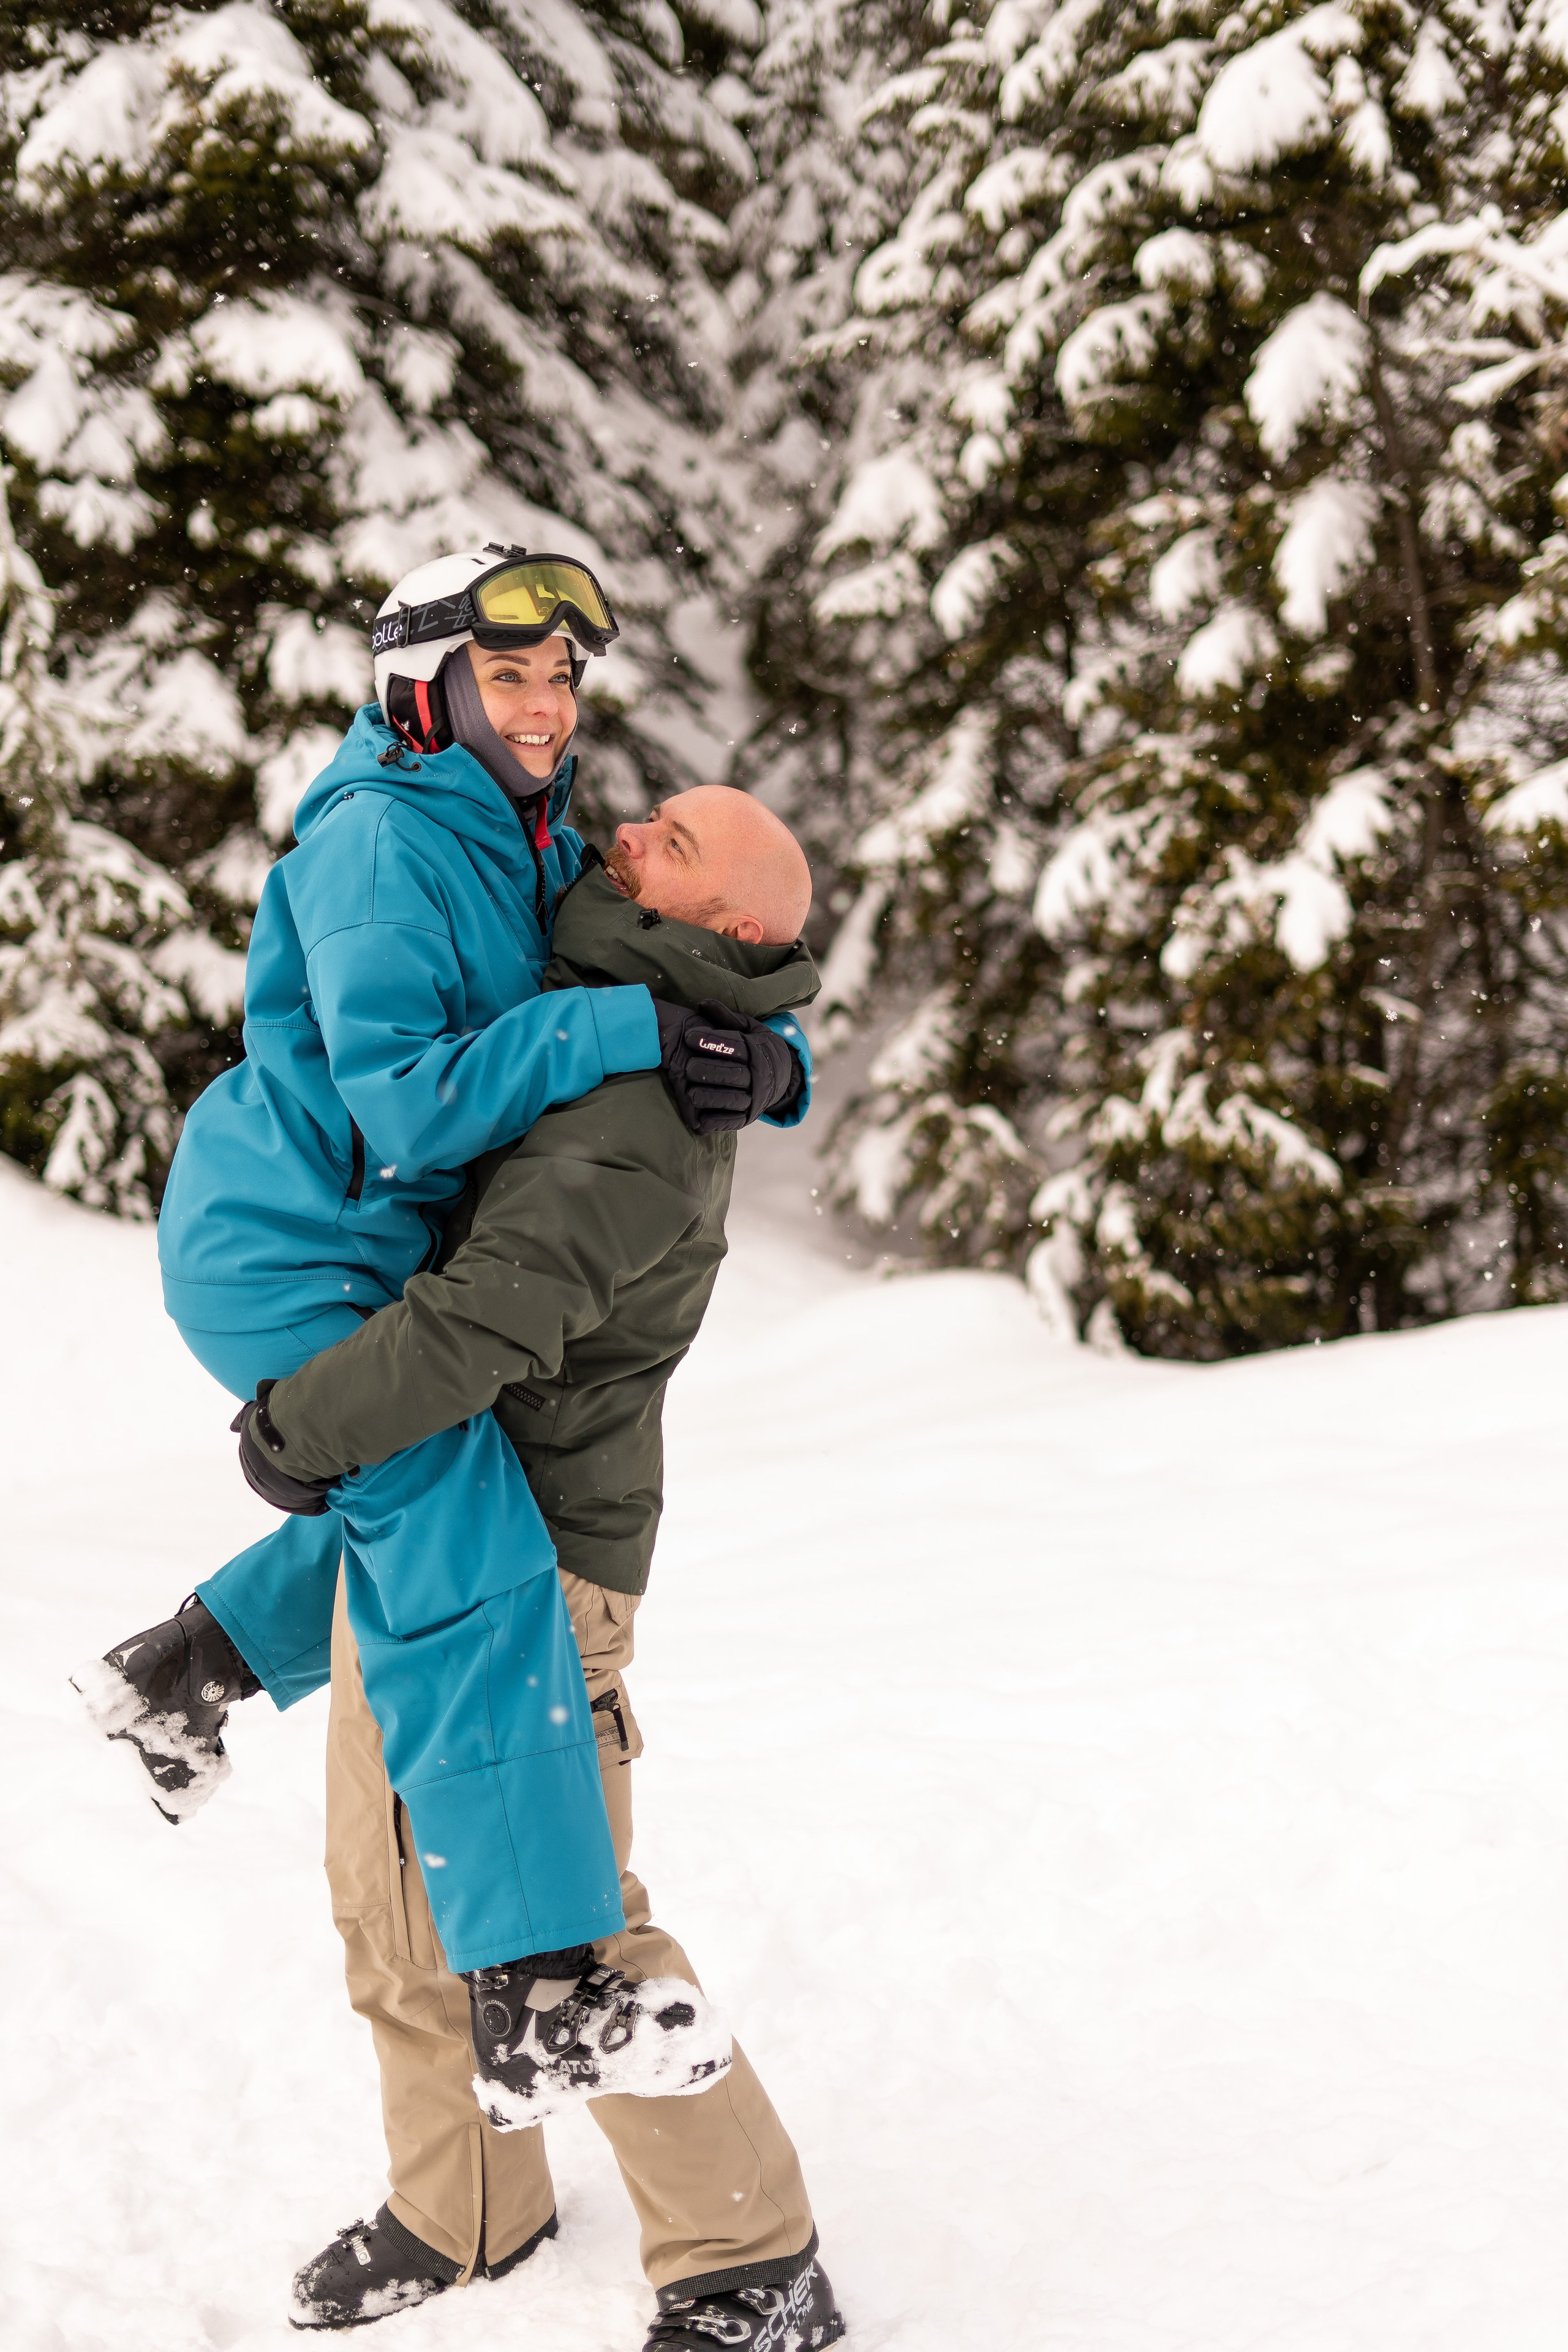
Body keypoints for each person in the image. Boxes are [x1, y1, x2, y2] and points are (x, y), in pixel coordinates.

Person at [74, 546, 809, 1990]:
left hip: (367, 1241)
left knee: (430, 1505)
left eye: (558, 678)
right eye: (506, 675)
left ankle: (182, 1674)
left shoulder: (514, 826)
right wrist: (637, 1040)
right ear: (426, 690)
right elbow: (411, 1098)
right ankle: (544, 1988)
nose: (546, 709)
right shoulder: (382, 842)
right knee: (471, 1572)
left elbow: (663, 957)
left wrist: (758, 1061)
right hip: (292, 1246)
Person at [221, 829, 848, 2350]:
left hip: (531, 1566)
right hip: (442, 1529)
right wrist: (773, 1057)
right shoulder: (615, 997)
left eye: (672, 842)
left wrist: (300, 1429)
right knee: (393, 1899)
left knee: (563, 1929)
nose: (629, 832)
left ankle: (750, 2266)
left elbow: (477, 1322)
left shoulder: (634, 1111)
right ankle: (468, 2207)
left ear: (716, 921)